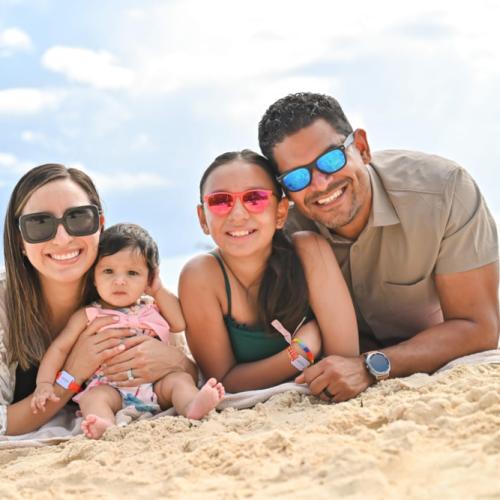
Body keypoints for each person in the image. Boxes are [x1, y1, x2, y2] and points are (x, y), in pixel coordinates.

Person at [258, 92, 499, 402]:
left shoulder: (444, 192)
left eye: (331, 160)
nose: (320, 184)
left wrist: (370, 366)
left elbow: (479, 327)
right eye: (296, 178)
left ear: (362, 147)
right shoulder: (279, 230)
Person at [0, 164, 196, 436]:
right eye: (39, 223)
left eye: (78, 218)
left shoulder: (129, 291)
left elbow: (189, 368)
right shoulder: (4, 307)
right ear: (20, 240)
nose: (62, 238)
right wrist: (70, 376)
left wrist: (175, 362)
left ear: (100, 225)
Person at [179, 150, 358, 394]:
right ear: (203, 218)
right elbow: (222, 383)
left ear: (281, 212)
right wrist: (299, 352)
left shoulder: (309, 251)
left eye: (255, 198)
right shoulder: (201, 276)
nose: (238, 215)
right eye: (220, 201)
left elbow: (345, 362)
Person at [31, 223, 225, 439]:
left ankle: (191, 406)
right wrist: (44, 383)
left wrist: (158, 289)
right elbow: (59, 348)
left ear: (148, 278)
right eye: (108, 271)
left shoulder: (152, 307)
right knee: (93, 398)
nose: (120, 281)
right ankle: (104, 424)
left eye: (133, 273)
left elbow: (179, 323)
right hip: (110, 386)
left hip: (156, 384)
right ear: (93, 276)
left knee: (180, 380)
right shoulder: (88, 314)